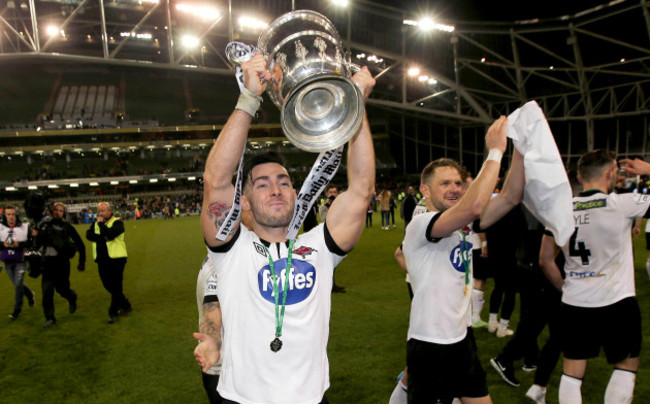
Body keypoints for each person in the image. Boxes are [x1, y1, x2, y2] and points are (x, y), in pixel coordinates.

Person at [193, 53, 376, 404]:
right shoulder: (231, 252)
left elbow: (361, 189)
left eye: (283, 182)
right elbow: (216, 180)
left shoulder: (319, 248)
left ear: (294, 192)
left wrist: (356, 105)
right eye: (261, 185)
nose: (276, 189)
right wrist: (249, 97)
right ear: (242, 202)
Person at [402, 116, 525, 403]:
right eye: (445, 183)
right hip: (430, 342)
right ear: (425, 191)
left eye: (458, 182)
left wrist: (519, 148)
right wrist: (494, 151)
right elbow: (475, 207)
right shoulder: (422, 223)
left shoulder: (462, 227)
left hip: (461, 337)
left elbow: (511, 196)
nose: (455, 188)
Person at [540, 151, 650, 404]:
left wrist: (565, 287)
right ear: (611, 172)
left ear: (579, 176)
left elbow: (545, 259)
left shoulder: (560, 211)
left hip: (576, 303)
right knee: (625, 367)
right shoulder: (622, 204)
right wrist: (647, 171)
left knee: (572, 374)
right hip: (618, 301)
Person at [35, 202, 86, 328]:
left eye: (60, 210)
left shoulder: (68, 227)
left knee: (62, 289)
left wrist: (81, 263)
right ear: (52, 211)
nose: (58, 212)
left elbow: (81, 245)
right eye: (56, 210)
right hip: (47, 263)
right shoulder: (45, 226)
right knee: (46, 291)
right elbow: (37, 245)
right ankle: (50, 318)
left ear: (64, 213)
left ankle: (72, 297)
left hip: (62, 264)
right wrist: (36, 235)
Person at [85, 202, 132, 324]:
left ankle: (113, 312)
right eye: (99, 211)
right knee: (108, 285)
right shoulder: (95, 224)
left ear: (110, 211)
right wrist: (102, 237)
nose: (100, 213)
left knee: (116, 286)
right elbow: (88, 235)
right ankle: (126, 305)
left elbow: (110, 234)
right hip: (101, 259)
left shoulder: (117, 223)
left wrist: (101, 226)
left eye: (103, 210)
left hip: (116, 259)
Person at [195, 255, 224, 404]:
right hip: (224, 369)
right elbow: (212, 303)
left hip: (219, 366)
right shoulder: (220, 266)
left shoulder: (216, 257)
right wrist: (211, 339)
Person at [0, 205, 36, 319]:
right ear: (4, 216)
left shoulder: (25, 227)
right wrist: (3, 245)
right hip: (7, 261)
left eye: (13, 214)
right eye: (8, 214)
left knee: (18, 284)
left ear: (17, 215)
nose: (11, 217)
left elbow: (33, 243)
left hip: (21, 260)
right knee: (17, 285)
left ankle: (17, 310)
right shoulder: (0, 228)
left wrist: (19, 245)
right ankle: (30, 294)